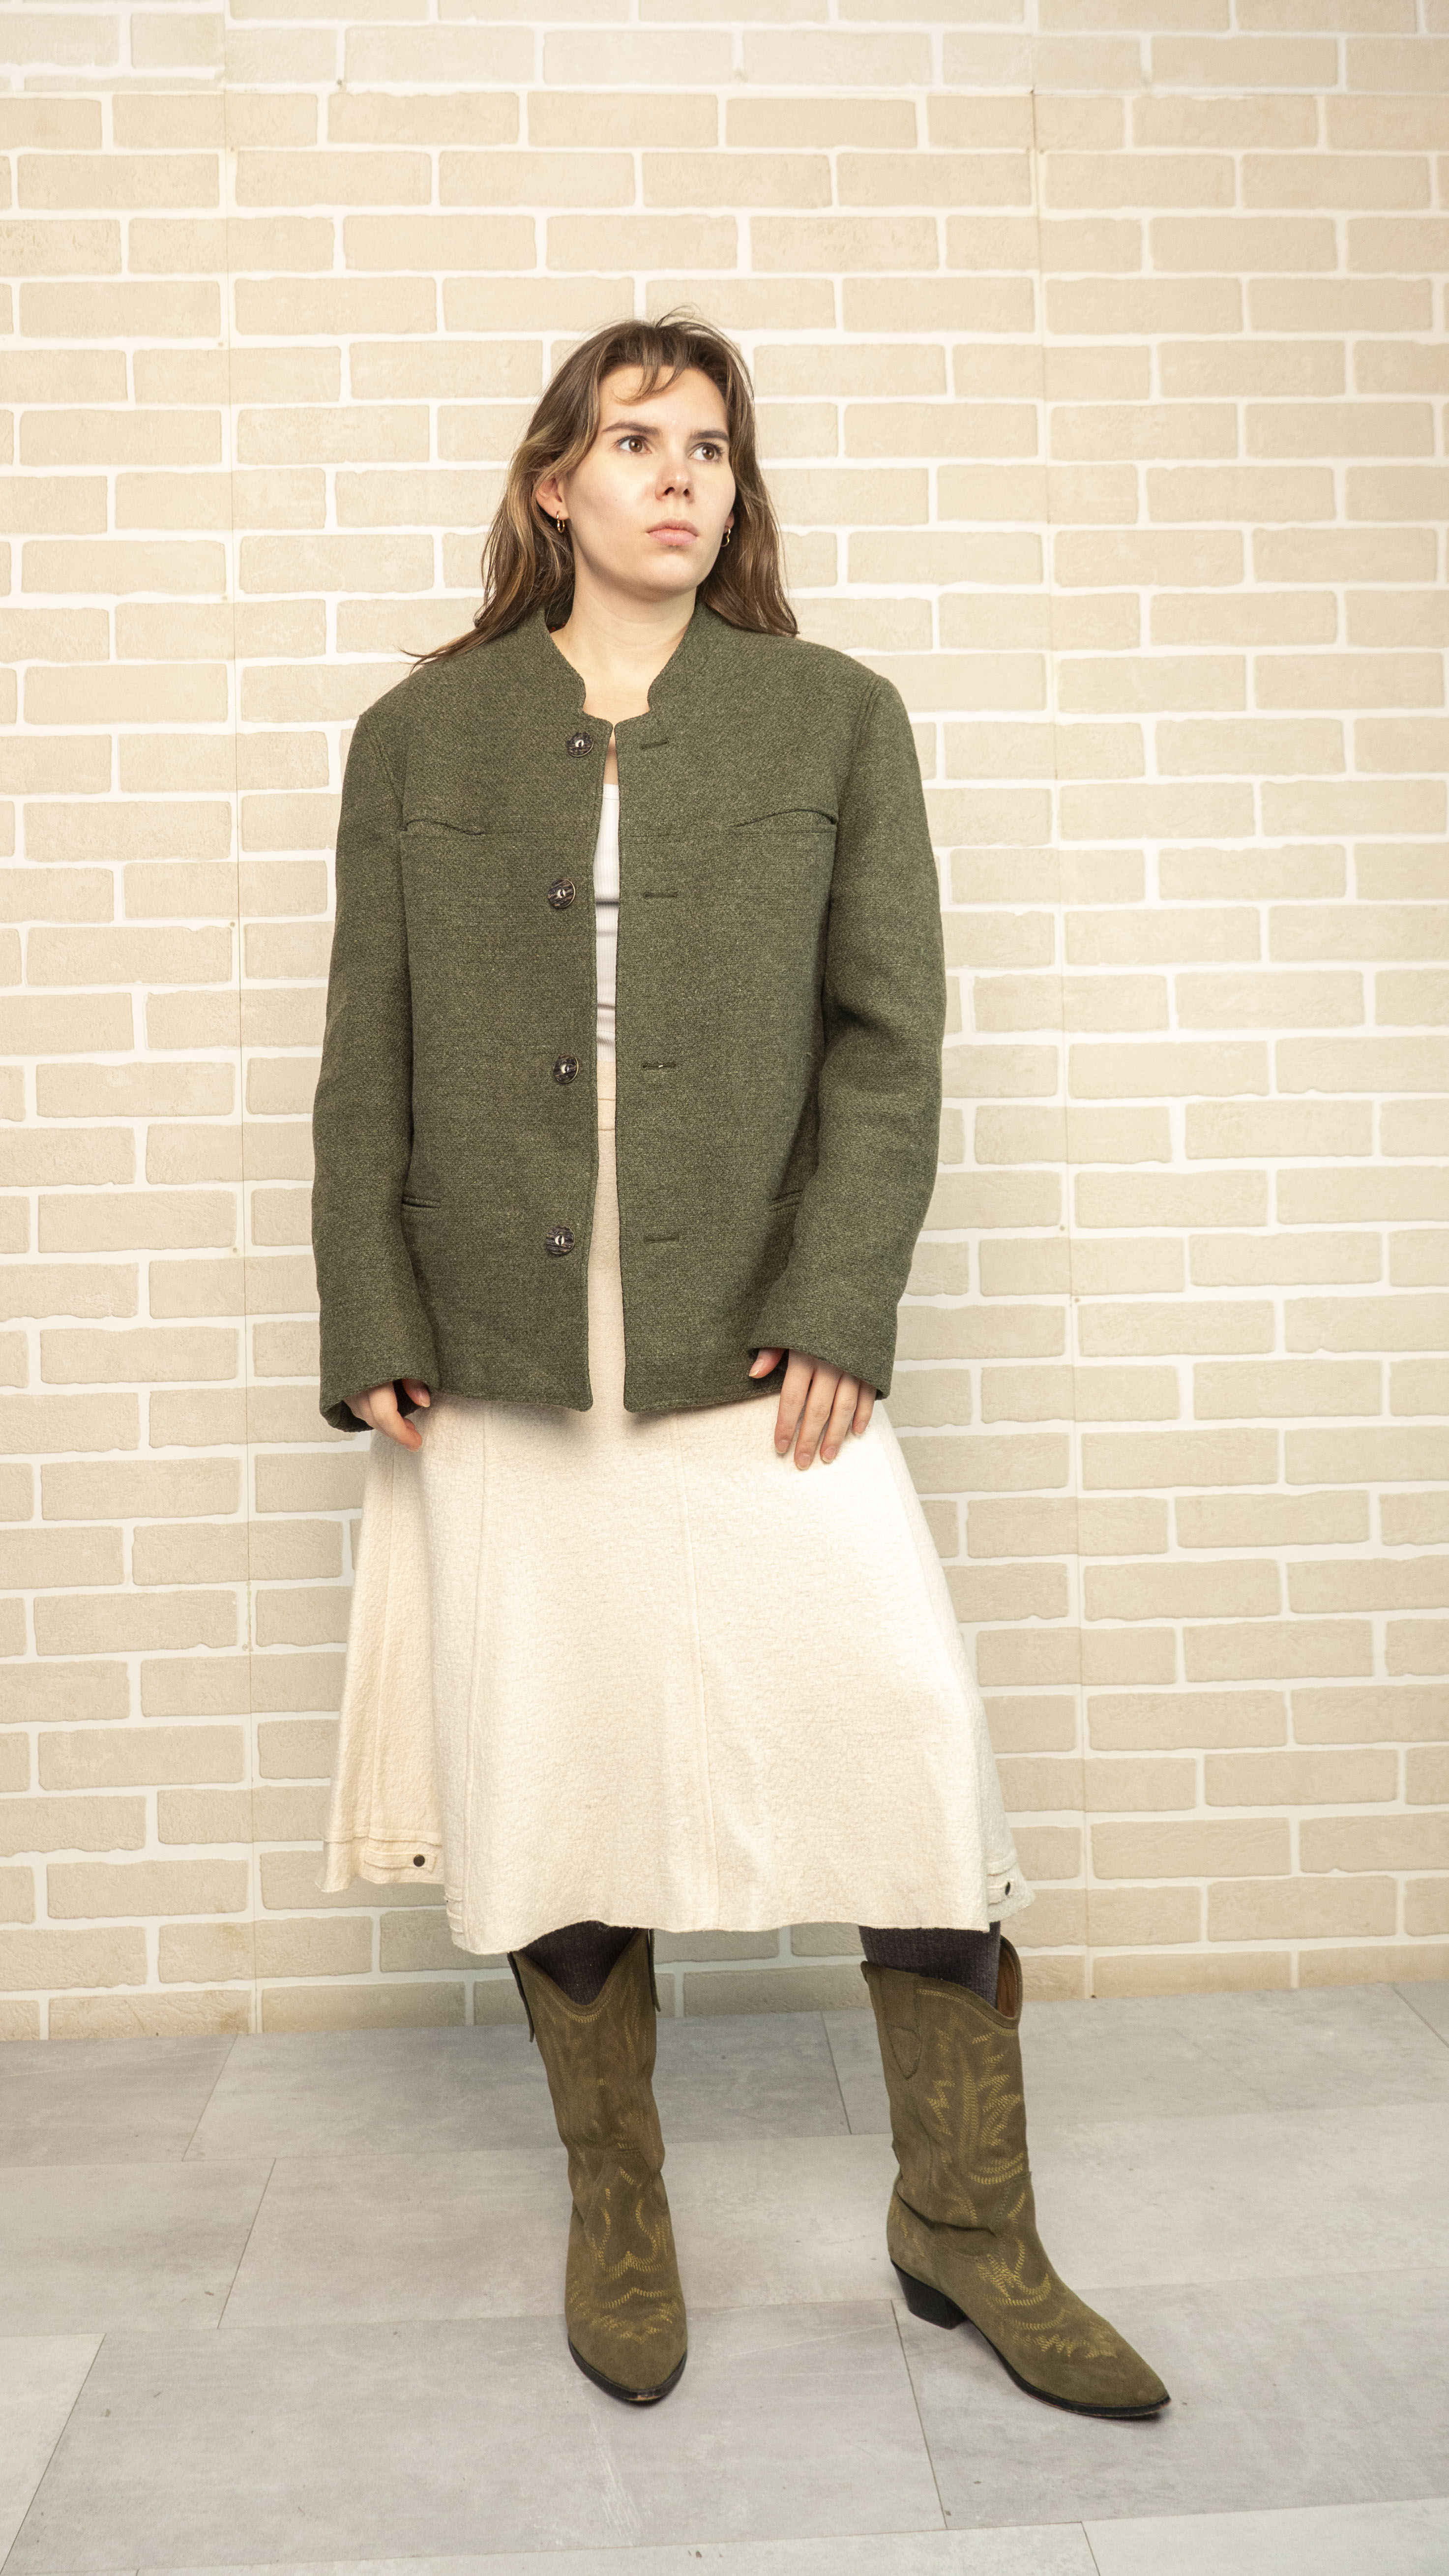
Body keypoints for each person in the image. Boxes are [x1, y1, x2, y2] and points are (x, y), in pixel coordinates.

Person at [309, 310, 1168, 2425]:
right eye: (634, 441)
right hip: (502, 1350)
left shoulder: (830, 717)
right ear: (554, 486)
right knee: (559, 1772)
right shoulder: (420, 739)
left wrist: (841, 1297)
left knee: (906, 1758)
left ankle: (968, 2224)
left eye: (708, 445)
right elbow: (364, 1057)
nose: (678, 475)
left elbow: (890, 1041)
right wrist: (371, 1316)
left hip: (752, 1341)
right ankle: (620, 2209)